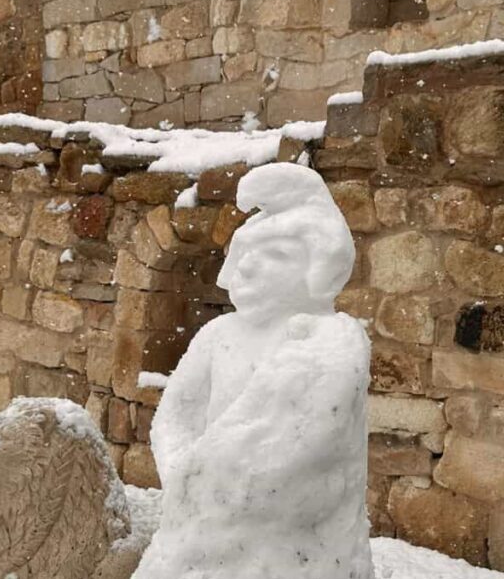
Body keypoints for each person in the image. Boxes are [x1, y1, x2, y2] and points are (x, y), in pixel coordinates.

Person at [131, 163, 375, 579]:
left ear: (317, 268)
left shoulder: (331, 341)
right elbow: (175, 416)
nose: (246, 268)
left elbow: (312, 442)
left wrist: (234, 487)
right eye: (243, 255)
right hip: (200, 528)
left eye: (274, 255)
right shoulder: (218, 334)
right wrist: (184, 476)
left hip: (296, 541)